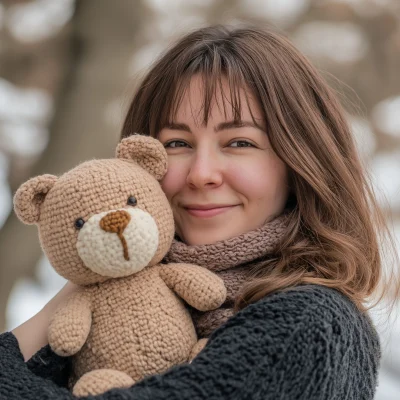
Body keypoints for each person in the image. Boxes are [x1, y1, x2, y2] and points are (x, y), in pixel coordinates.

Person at [0, 24, 398, 400]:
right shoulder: (111, 304)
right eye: (176, 144)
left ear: (299, 163)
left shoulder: (311, 325)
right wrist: (86, 284)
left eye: (240, 142)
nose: (202, 174)